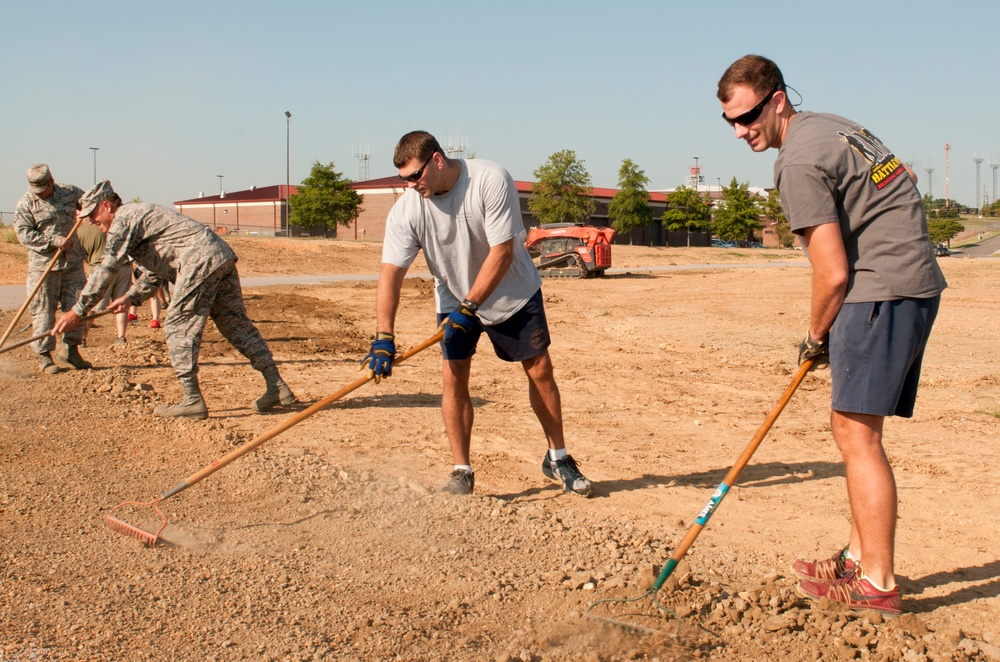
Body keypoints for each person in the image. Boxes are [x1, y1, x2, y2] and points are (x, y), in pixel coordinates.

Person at [717, 54, 947, 614]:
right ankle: (857, 555)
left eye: (748, 118)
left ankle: (878, 583)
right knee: (854, 427)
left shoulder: (797, 161)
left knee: (856, 435)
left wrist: (815, 334)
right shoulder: (837, 126)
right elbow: (905, 177)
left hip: (879, 291)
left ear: (777, 100)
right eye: (729, 122)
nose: (741, 132)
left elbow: (833, 271)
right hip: (910, 282)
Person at [359, 130, 592, 497]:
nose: (410, 185)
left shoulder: (489, 179)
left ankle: (558, 458)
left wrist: (472, 306)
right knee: (453, 378)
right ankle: (461, 471)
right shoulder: (407, 209)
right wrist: (383, 337)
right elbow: (391, 274)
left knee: (540, 370)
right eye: (403, 179)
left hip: (511, 291)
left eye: (415, 176)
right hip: (454, 298)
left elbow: (501, 252)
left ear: (437, 160)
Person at [52, 180, 297, 420]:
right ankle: (277, 386)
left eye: (93, 213)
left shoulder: (123, 219)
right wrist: (131, 297)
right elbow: (156, 269)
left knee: (178, 325)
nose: (92, 221)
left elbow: (108, 267)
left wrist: (77, 311)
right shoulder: (140, 215)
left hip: (198, 261)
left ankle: (192, 400)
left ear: (106, 206)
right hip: (218, 257)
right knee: (235, 324)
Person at [13, 164, 91, 373]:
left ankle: (70, 350)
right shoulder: (26, 203)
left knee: (76, 307)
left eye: (42, 189)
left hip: (72, 263)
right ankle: (44, 356)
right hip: (44, 267)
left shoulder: (69, 192)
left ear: (51, 182)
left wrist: (92, 203)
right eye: (35, 190)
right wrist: (54, 241)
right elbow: (24, 235)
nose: (39, 194)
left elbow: (89, 203)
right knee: (43, 311)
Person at [76, 216, 131, 347]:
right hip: (123, 266)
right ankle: (121, 336)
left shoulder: (80, 231)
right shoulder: (112, 222)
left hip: (101, 268)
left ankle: (83, 338)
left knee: (93, 305)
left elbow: (81, 254)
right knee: (121, 304)